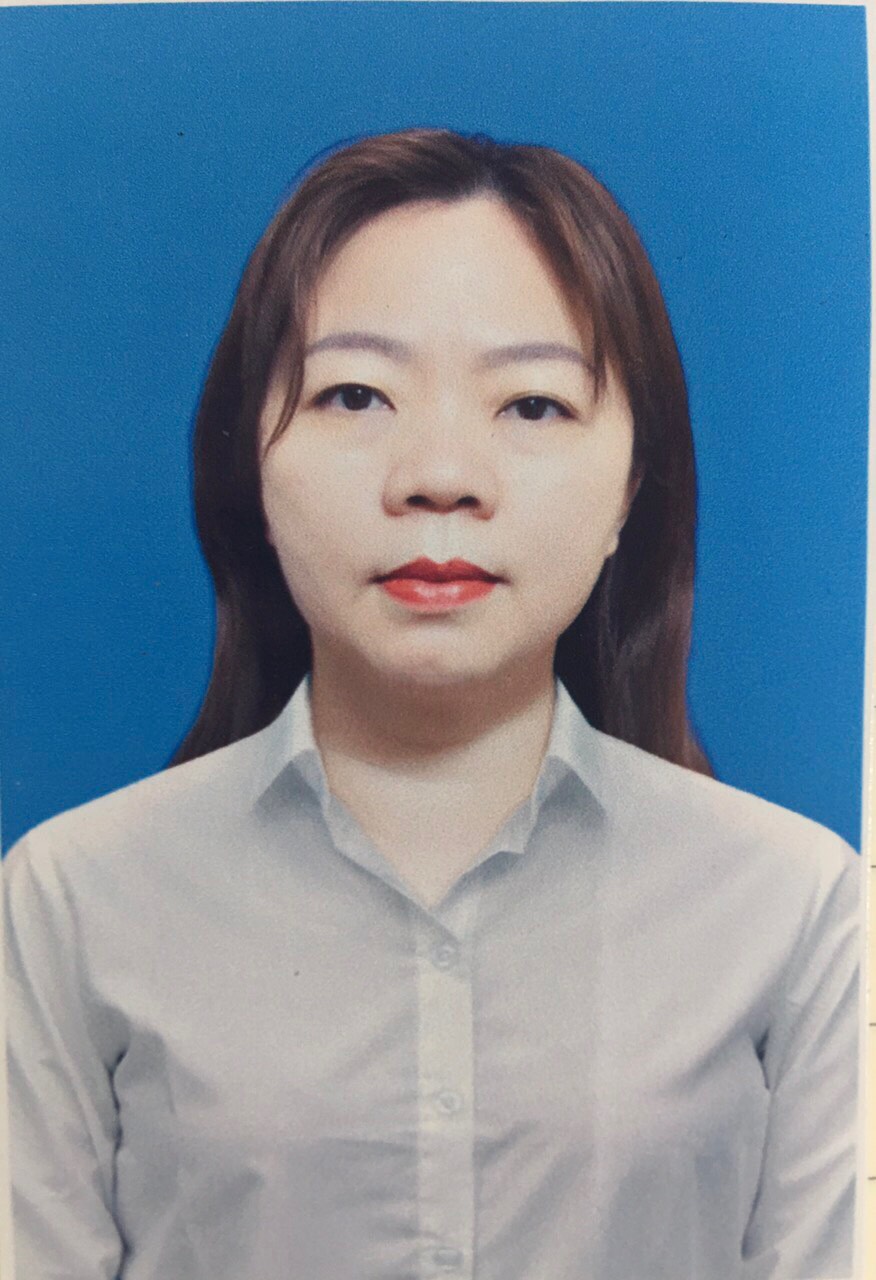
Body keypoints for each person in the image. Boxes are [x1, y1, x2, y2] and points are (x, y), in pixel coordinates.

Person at [3, 129, 860, 1280]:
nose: (441, 475)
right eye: (356, 393)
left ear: (631, 486)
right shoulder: (69, 900)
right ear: (252, 466)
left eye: (533, 404)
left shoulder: (800, 908)